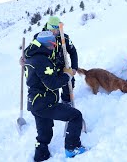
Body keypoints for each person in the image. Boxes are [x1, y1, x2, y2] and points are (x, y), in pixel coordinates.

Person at [23, 31, 87, 161]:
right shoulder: (41, 60)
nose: (54, 47)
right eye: (53, 44)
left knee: (44, 135)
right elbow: (52, 84)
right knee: (75, 116)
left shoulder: (31, 56)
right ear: (47, 44)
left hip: (35, 103)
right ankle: (71, 148)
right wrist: (67, 75)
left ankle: (40, 156)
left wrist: (61, 71)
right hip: (45, 103)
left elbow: (44, 76)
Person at [21, 16, 78, 105]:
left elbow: (73, 52)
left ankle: (66, 101)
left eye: (57, 30)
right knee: (49, 87)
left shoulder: (64, 38)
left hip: (61, 66)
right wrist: (24, 58)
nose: (55, 32)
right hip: (46, 68)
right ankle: (50, 106)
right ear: (48, 27)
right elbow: (31, 51)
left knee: (69, 82)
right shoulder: (40, 37)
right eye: (53, 30)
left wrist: (74, 68)